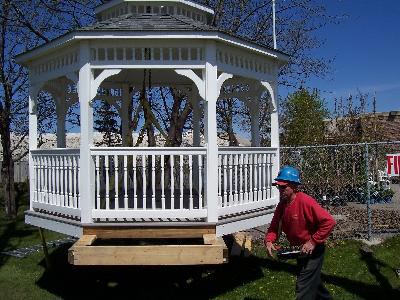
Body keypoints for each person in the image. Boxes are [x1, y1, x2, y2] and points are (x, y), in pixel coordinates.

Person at [264, 166, 336, 300]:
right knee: (314, 285)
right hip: (300, 250)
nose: (281, 190)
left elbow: (329, 222)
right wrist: (269, 240)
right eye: (279, 187)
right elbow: (274, 227)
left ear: (294, 186)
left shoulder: (305, 201)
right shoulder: (282, 205)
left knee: (303, 286)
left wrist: (312, 242)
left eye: (284, 187)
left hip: (314, 250)